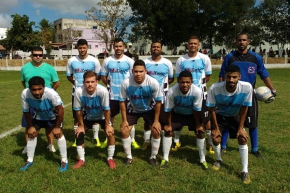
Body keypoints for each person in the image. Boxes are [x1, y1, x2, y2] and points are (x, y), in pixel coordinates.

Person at [219, 33, 276, 159]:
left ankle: (255, 149)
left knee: (252, 123)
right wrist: (221, 92)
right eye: (239, 40)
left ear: (248, 42)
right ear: (236, 42)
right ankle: (223, 146)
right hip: (232, 95)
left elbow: (264, 75)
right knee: (227, 121)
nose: (242, 42)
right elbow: (222, 74)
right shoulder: (230, 57)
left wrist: (272, 90)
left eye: (244, 40)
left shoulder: (256, 58)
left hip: (250, 96)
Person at [207, 65, 253, 184]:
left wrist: (241, 128)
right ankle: (219, 159)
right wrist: (216, 128)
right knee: (216, 139)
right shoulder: (215, 88)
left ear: (239, 77)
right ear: (225, 77)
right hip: (219, 116)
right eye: (229, 77)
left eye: (234, 77)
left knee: (243, 138)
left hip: (235, 116)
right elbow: (211, 109)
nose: (231, 80)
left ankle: (244, 170)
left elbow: (244, 108)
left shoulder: (247, 87)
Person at [19, 76, 68, 172]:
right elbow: (26, 111)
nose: (37, 92)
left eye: (39, 89)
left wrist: (57, 126)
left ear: (44, 87)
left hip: (53, 116)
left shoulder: (51, 94)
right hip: (39, 116)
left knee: (58, 134)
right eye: (34, 90)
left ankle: (64, 161)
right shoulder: (25, 94)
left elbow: (61, 110)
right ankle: (29, 160)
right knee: (32, 134)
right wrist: (30, 126)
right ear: (29, 88)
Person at [119, 60, 163, 166]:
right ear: (132, 71)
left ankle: (153, 157)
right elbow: (122, 101)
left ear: (145, 71)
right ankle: (129, 157)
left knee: (156, 131)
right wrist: (124, 120)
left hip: (149, 109)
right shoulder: (126, 83)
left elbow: (158, 102)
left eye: (141, 71)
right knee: (124, 130)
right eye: (136, 71)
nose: (138, 74)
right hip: (133, 110)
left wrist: (156, 121)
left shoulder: (153, 83)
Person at [174, 35, 213, 154]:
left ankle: (209, 143)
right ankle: (176, 141)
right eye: (190, 43)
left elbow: (208, 76)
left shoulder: (205, 58)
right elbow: (179, 78)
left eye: (195, 43)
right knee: (179, 116)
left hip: (201, 94)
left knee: (205, 119)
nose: (193, 45)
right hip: (185, 93)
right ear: (187, 45)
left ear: (199, 45)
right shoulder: (181, 60)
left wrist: (196, 87)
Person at [100, 38, 140, 149]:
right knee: (109, 117)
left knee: (129, 118)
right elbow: (103, 76)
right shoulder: (107, 61)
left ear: (124, 47)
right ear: (113, 47)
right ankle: (108, 138)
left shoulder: (129, 61)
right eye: (116, 46)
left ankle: (132, 140)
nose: (118, 48)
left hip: (127, 96)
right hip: (112, 95)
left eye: (120, 46)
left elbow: (134, 76)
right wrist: (109, 86)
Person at [72, 71, 116, 169]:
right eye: (87, 82)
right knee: (79, 133)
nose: (90, 84)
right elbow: (78, 110)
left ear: (97, 82)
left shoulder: (103, 91)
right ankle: (81, 159)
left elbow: (106, 109)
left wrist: (108, 125)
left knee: (110, 133)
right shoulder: (78, 92)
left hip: (102, 117)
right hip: (88, 116)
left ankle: (110, 158)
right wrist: (81, 125)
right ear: (83, 82)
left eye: (92, 82)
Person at [161, 70, 205, 169]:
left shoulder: (197, 91)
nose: (185, 84)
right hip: (177, 115)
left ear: (192, 82)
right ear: (178, 82)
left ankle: (203, 159)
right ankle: (165, 158)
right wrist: (168, 125)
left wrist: (198, 124)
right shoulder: (172, 91)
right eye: (182, 82)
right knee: (167, 132)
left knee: (200, 132)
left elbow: (197, 110)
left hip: (191, 115)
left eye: (187, 82)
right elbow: (168, 110)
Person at [21, 46, 60, 154]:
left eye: (40, 55)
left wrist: (49, 94)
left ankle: (50, 145)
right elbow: (24, 83)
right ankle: (27, 147)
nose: (38, 57)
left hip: (46, 102)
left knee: (49, 124)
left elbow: (56, 82)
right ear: (31, 55)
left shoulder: (50, 68)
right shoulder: (25, 68)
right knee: (28, 125)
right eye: (35, 55)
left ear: (43, 55)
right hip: (31, 102)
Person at [66, 39, 102, 147]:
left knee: (94, 116)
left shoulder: (94, 60)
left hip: (92, 93)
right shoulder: (71, 61)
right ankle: (77, 137)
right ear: (77, 48)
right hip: (77, 94)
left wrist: (91, 86)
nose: (82, 50)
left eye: (84, 47)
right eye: (80, 48)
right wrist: (77, 85)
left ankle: (96, 138)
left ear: (87, 47)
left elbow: (98, 76)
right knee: (77, 116)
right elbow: (69, 75)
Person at [141, 41, 174, 150]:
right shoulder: (145, 62)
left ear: (161, 48)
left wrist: (161, 88)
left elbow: (171, 78)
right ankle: (146, 141)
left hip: (163, 97)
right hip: (148, 96)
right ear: (151, 49)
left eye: (158, 47)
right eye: (154, 47)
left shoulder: (167, 63)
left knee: (163, 119)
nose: (155, 48)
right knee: (148, 120)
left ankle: (163, 141)